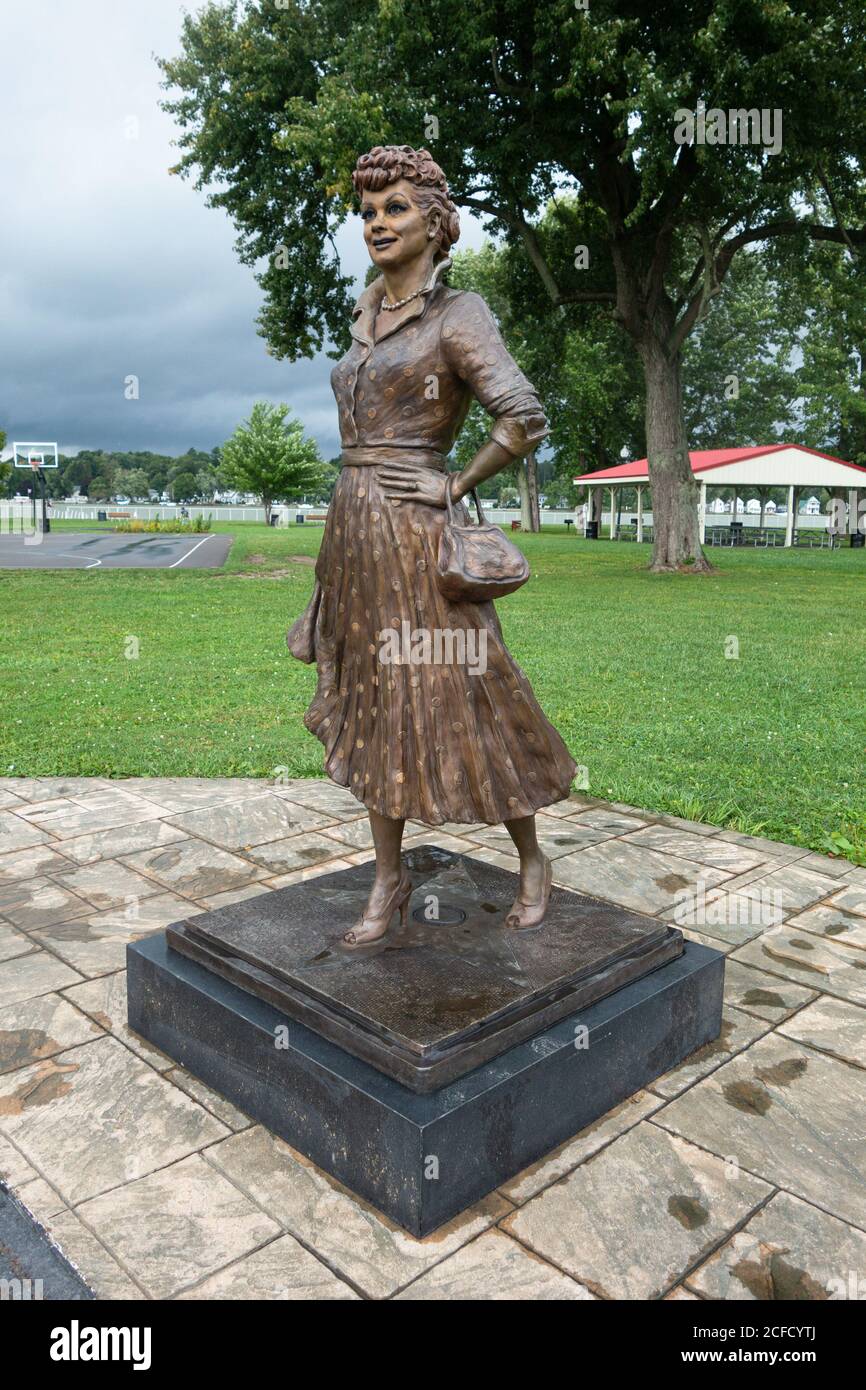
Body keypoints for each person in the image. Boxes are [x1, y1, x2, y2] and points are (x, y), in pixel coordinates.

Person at [288, 145, 576, 946]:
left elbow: (521, 417)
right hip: (355, 536)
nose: (378, 222)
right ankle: (389, 879)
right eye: (369, 211)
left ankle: (530, 858)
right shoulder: (365, 311)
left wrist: (451, 483)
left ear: (435, 222)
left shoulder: (460, 314)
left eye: (397, 209)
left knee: (470, 691)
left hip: (418, 538)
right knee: (373, 700)